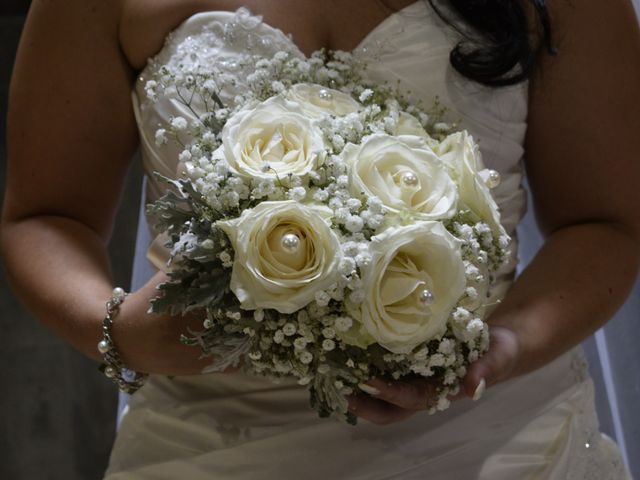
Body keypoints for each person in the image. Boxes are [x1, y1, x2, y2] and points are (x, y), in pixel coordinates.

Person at [2, 0, 639, 478]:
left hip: (497, 437)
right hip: (207, 439)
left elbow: (606, 224)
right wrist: (121, 329)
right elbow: (45, 216)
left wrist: (497, 351)